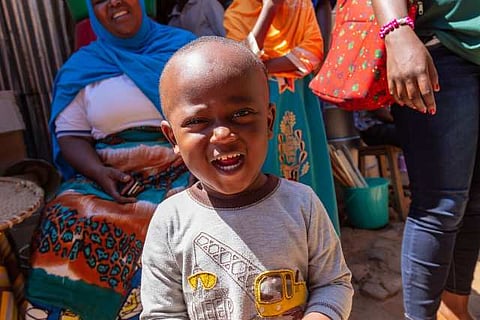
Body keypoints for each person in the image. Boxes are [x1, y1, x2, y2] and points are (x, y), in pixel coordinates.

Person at [140, 36, 353, 320]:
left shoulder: (303, 204)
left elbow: (333, 283)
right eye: (197, 122)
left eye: (241, 114)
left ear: (268, 122)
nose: (222, 135)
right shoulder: (170, 222)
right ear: (172, 137)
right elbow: (162, 314)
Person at [24, 1, 196, 319]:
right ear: (93, 11)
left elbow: (210, 111)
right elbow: (71, 135)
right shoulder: (84, 66)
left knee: (172, 220)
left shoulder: (184, 50)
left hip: (181, 162)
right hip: (107, 171)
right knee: (64, 217)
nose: (114, 2)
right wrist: (99, 172)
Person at [371, 1, 480, 319]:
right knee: (440, 207)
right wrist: (395, 30)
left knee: (475, 203)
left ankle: (455, 311)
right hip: (438, 49)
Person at [223, 0, 340, 232]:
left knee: (306, 170)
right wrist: (269, 9)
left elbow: (314, 51)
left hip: (300, 100)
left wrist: (262, 67)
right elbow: (240, 62)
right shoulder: (237, 11)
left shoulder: (300, 5)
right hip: (258, 103)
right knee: (267, 171)